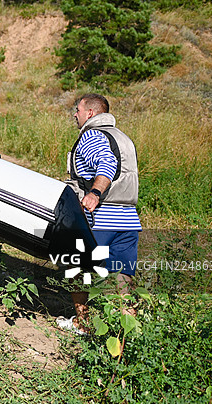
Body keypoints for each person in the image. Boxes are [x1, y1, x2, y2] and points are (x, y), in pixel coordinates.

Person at [57, 93, 141, 335]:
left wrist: (94, 192)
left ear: (91, 113)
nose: (75, 114)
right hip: (127, 219)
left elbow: (106, 164)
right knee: (122, 275)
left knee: (75, 266)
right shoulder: (123, 137)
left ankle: (82, 323)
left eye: (78, 110)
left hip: (101, 217)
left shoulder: (92, 135)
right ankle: (129, 331)